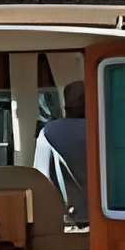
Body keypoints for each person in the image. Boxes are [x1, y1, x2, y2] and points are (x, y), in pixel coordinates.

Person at [36, 80, 89, 225]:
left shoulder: (49, 132)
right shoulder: (102, 129)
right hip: (104, 216)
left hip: (65, 220)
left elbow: (40, 178)